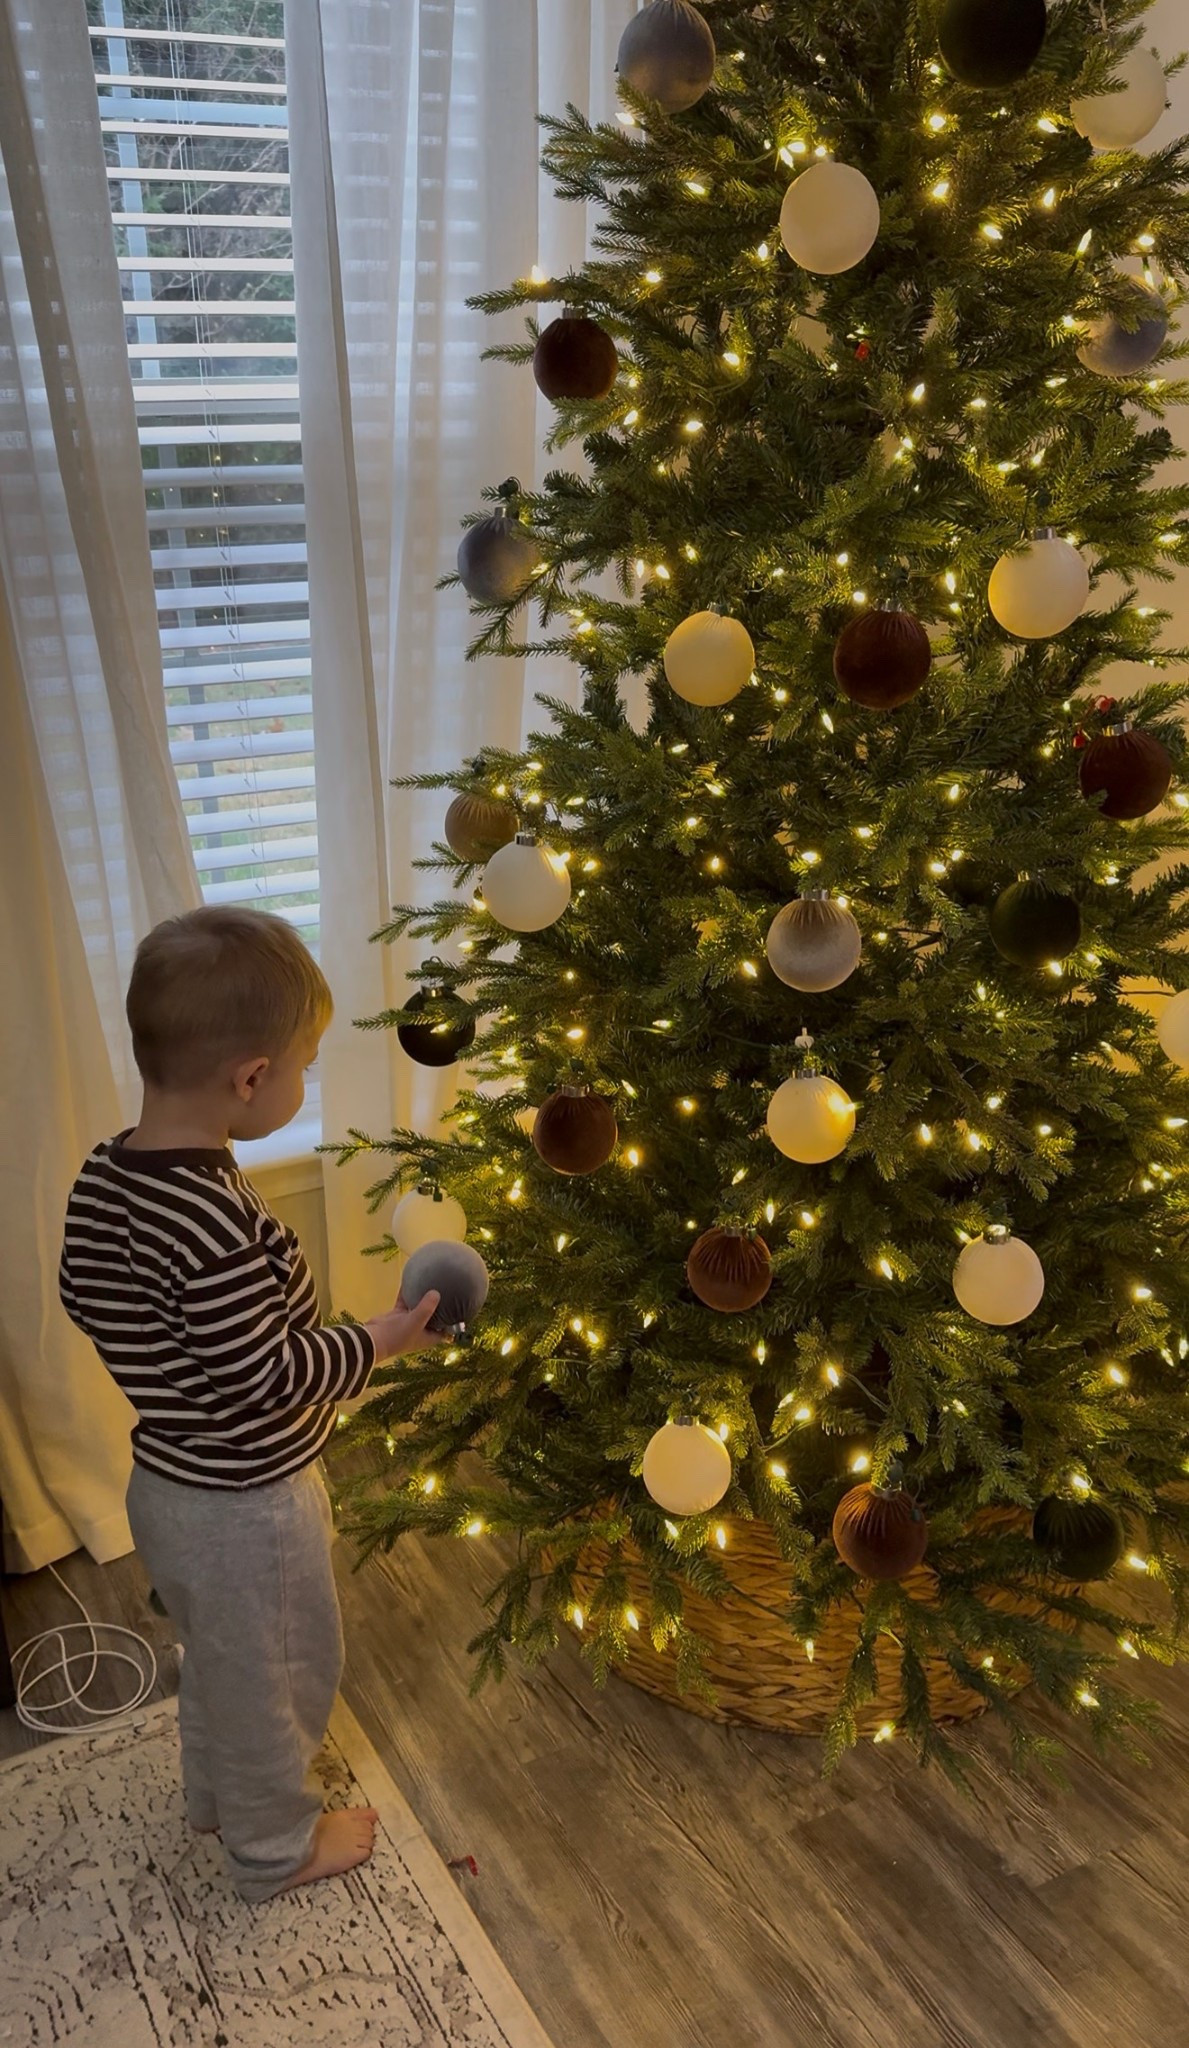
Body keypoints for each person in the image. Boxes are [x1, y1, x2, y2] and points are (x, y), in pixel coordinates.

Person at [59, 906, 441, 1902]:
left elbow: (84, 1290)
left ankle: (213, 1795)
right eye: (304, 1065)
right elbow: (265, 1376)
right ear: (250, 1077)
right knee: (279, 1675)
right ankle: (276, 1846)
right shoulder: (214, 1218)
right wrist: (378, 1339)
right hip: (248, 1503)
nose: (305, 1082)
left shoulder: (109, 1171)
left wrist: (167, 1368)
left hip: (168, 1481)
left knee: (221, 1658)